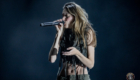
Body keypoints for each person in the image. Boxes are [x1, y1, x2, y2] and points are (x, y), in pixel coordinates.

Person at [48, 2, 97, 80]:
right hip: (64, 76)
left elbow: (91, 64)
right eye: (62, 15)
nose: (63, 19)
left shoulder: (87, 32)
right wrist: (58, 34)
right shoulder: (62, 32)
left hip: (81, 77)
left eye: (66, 16)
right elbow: (52, 59)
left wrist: (77, 53)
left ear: (75, 17)